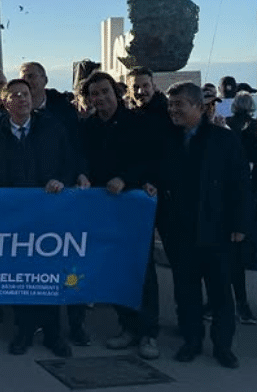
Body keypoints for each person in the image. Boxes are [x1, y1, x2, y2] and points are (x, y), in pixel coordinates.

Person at [0, 79, 89, 359]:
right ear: (5, 103)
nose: (22, 99)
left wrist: (61, 180)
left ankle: (53, 333)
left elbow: (69, 162)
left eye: (25, 94)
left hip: (49, 214)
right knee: (20, 275)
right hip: (14, 218)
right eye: (15, 95)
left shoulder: (52, 129)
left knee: (49, 274)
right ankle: (24, 331)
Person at [156, 82, 251, 368]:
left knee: (220, 290)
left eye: (179, 104)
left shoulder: (223, 139)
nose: (173, 110)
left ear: (198, 106)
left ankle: (223, 345)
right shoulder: (167, 139)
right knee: (186, 290)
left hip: (217, 227)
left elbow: (240, 184)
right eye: (171, 104)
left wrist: (240, 225)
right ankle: (192, 340)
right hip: (180, 228)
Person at [77, 72, 160, 359]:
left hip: (133, 206)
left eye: (105, 92)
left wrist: (126, 179)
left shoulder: (138, 122)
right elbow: (82, 158)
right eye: (94, 94)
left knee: (142, 268)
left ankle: (148, 332)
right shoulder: (88, 127)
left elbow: (151, 159)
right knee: (116, 268)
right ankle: (128, 326)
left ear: (116, 93)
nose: (100, 98)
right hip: (102, 207)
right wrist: (82, 174)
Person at [19, 61, 88, 344]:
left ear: (45, 80)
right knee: (33, 269)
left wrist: (70, 176)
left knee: (70, 265)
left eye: (33, 77)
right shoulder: (11, 117)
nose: (29, 82)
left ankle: (75, 325)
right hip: (30, 202)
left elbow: (74, 149)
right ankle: (35, 327)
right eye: (24, 78)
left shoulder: (62, 112)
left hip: (61, 196)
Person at [224, 91, 257, 325]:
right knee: (240, 253)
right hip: (249, 197)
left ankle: (223, 302)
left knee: (227, 255)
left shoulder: (227, 126)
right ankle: (242, 304)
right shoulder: (254, 128)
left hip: (228, 197)